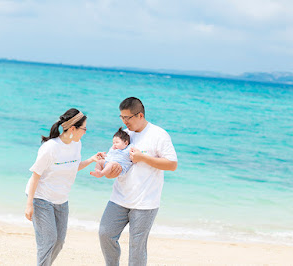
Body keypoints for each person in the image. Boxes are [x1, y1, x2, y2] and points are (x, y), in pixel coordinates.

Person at [99, 97, 178, 266]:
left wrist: (143, 157)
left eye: (128, 118)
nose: (124, 121)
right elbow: (112, 165)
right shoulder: (124, 135)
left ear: (140, 115)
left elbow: (172, 164)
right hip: (119, 198)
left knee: (137, 248)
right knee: (105, 234)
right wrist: (110, 172)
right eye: (122, 117)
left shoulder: (159, 135)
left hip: (145, 203)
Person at [25, 108, 100, 266]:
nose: (85, 132)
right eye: (84, 128)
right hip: (41, 198)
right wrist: (29, 204)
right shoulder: (50, 148)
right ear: (73, 129)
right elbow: (35, 176)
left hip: (61, 200)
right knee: (48, 241)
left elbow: (72, 167)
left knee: (58, 242)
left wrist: (91, 160)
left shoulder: (76, 145)